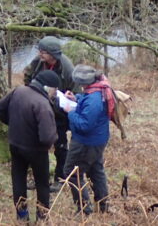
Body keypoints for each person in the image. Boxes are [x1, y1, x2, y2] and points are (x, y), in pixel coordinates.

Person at [0, 70, 61, 222]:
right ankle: (42, 217)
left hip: (15, 144)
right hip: (36, 150)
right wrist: (51, 142)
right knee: (42, 184)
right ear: (48, 87)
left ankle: (22, 216)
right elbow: (47, 137)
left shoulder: (18, 91)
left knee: (18, 179)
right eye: (55, 90)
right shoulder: (42, 104)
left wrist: (13, 125)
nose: (55, 94)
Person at [22, 36, 75, 190]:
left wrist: (67, 97)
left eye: (43, 52)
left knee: (60, 145)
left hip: (59, 113)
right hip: (39, 109)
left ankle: (60, 178)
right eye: (39, 51)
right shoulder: (37, 62)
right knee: (36, 144)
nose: (40, 54)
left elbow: (76, 91)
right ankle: (39, 178)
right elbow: (28, 76)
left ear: (53, 54)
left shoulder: (66, 67)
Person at [60, 65, 113, 215]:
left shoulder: (94, 100)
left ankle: (84, 209)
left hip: (86, 142)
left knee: (71, 172)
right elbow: (87, 103)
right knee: (96, 170)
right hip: (97, 140)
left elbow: (84, 125)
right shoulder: (97, 89)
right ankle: (103, 206)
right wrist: (76, 98)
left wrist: (71, 112)